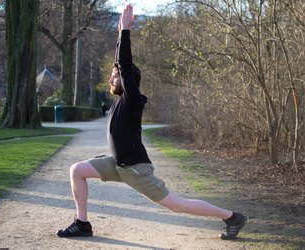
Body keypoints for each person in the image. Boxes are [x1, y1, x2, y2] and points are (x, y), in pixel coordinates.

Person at [57, 4, 247, 240]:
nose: (110, 78)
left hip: (136, 169)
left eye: (114, 76)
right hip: (118, 164)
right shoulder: (120, 102)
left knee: (177, 205)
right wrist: (118, 36)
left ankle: (232, 217)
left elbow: (125, 65)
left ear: (129, 82)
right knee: (77, 170)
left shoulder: (133, 99)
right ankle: (82, 223)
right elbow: (121, 65)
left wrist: (124, 32)